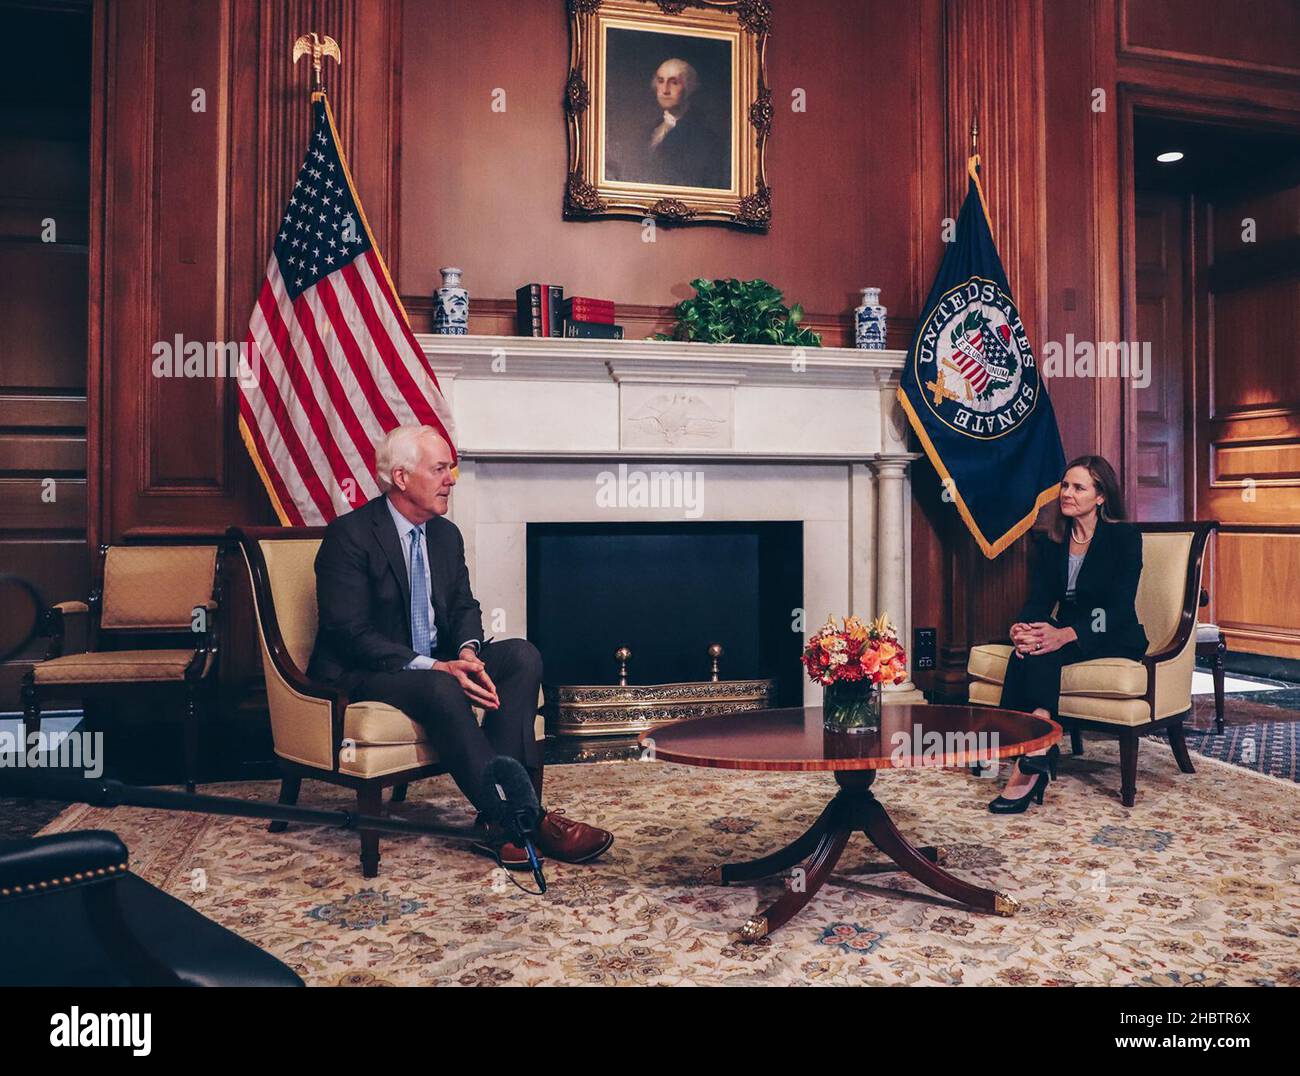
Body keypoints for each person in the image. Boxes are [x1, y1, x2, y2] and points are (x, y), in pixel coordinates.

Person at [306, 425, 614, 867]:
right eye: (440, 469)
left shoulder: (444, 535)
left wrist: (468, 653)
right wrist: (434, 667)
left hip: (438, 663)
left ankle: (497, 826)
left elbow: (463, 606)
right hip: (367, 671)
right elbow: (348, 633)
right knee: (440, 687)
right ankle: (522, 818)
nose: (452, 478)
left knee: (522, 656)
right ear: (402, 477)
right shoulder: (350, 535)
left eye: (452, 468)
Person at [987, 455, 1149, 813]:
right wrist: (1023, 628)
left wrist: (1066, 634)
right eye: (1065, 485)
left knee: (1048, 647)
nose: (1067, 493)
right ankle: (1039, 749)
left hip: (1111, 632)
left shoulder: (1124, 537)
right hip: (1068, 631)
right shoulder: (1053, 540)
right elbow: (1039, 600)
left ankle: (1032, 755)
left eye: (1079, 487)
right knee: (1029, 649)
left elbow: (1119, 607)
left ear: (1101, 496)